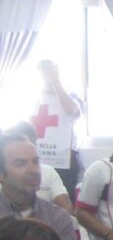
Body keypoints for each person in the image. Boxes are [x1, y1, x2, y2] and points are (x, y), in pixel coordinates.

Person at [31, 59, 83, 197]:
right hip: (38, 156)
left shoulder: (70, 95)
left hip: (64, 159)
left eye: (50, 70)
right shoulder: (35, 98)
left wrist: (55, 81)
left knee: (64, 196)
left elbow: (72, 110)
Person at [5, 121, 74, 214]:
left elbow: (66, 208)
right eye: (20, 163)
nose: (32, 171)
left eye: (35, 161)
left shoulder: (48, 172)